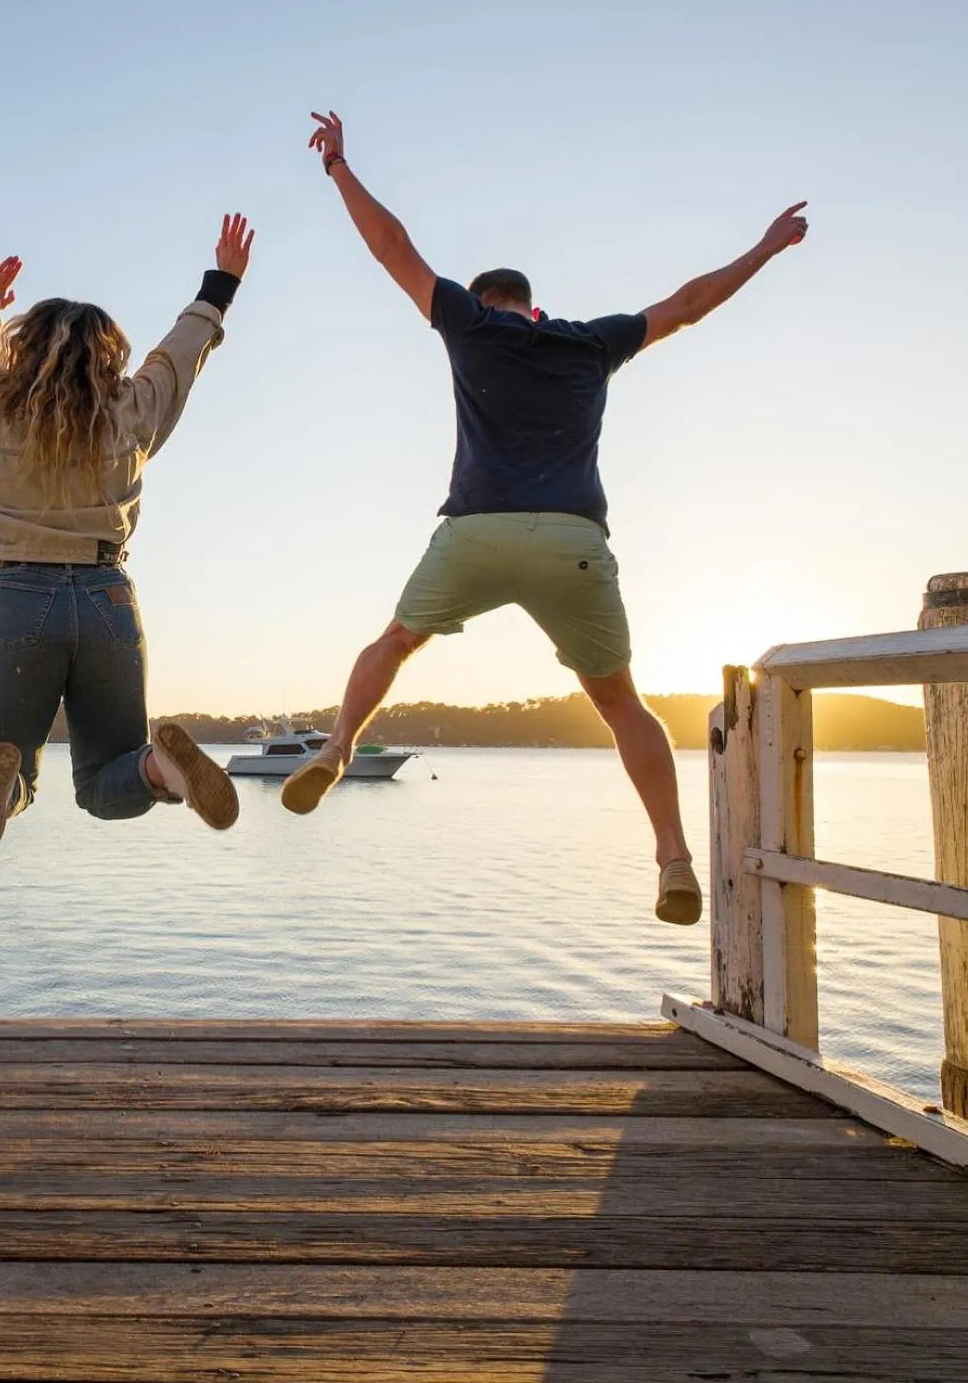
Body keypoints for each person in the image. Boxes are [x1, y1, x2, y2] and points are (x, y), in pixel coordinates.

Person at [286, 111, 809, 926]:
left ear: (487, 304)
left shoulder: (466, 324)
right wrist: (766, 247)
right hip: (572, 541)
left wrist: (340, 168)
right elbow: (688, 304)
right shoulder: (589, 342)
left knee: (395, 641)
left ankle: (338, 744)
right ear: (534, 307)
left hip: (475, 532)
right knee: (620, 704)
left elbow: (391, 247)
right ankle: (671, 854)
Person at [0, 216, 255, 860]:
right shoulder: (131, 412)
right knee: (106, 778)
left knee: (5, 757)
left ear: (24, 350)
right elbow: (179, 356)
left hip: (18, 594)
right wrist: (220, 283)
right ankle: (165, 771)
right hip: (106, 596)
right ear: (110, 357)